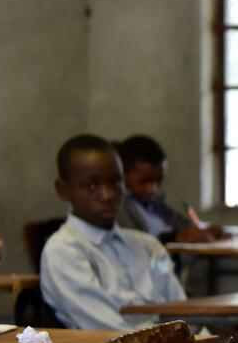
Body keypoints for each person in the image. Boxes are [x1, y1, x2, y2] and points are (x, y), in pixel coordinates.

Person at [40, 134, 187, 331]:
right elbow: (108, 331)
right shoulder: (64, 250)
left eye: (116, 182)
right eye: (92, 186)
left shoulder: (148, 245)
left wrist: (206, 341)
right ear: (63, 190)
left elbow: (184, 313)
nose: (108, 195)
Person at [115, 134, 225, 244]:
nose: (152, 189)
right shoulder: (119, 207)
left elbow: (184, 225)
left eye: (158, 181)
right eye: (144, 182)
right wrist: (175, 238)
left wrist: (203, 231)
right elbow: (136, 241)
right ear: (122, 174)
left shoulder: (155, 204)